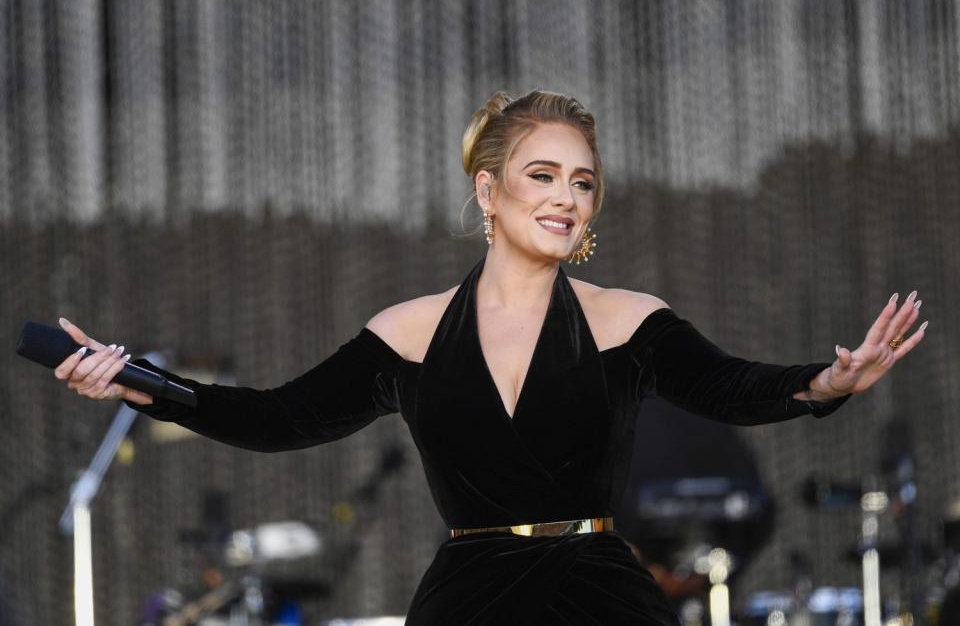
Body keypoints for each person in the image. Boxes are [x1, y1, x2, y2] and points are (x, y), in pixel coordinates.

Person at [53, 90, 928, 625]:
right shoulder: (409, 330)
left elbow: (734, 388)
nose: (566, 198)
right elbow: (276, 418)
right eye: (542, 174)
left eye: (583, 182)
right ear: (489, 188)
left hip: (600, 596)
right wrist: (137, 383)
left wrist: (825, 381)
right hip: (469, 601)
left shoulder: (628, 319)